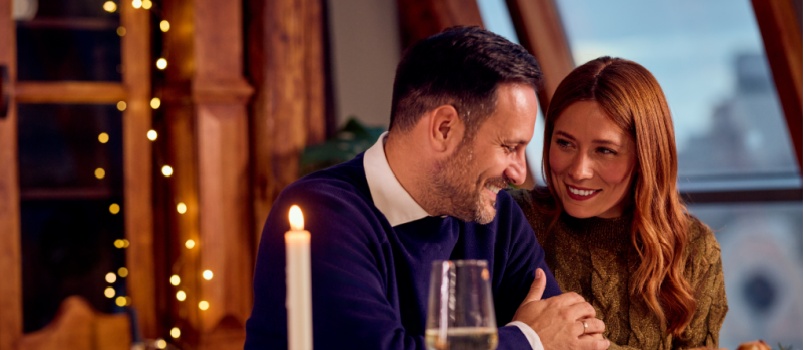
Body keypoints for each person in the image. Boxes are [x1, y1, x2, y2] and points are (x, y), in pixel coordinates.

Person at [245, 26, 610, 350]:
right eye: (508, 147)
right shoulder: (320, 216)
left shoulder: (495, 217)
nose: (518, 173)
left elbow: (572, 336)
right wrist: (529, 340)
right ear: (444, 129)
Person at [509, 56, 728, 349]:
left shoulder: (694, 249)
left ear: (644, 158)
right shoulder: (511, 220)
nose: (578, 170)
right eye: (565, 143)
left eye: (604, 150)